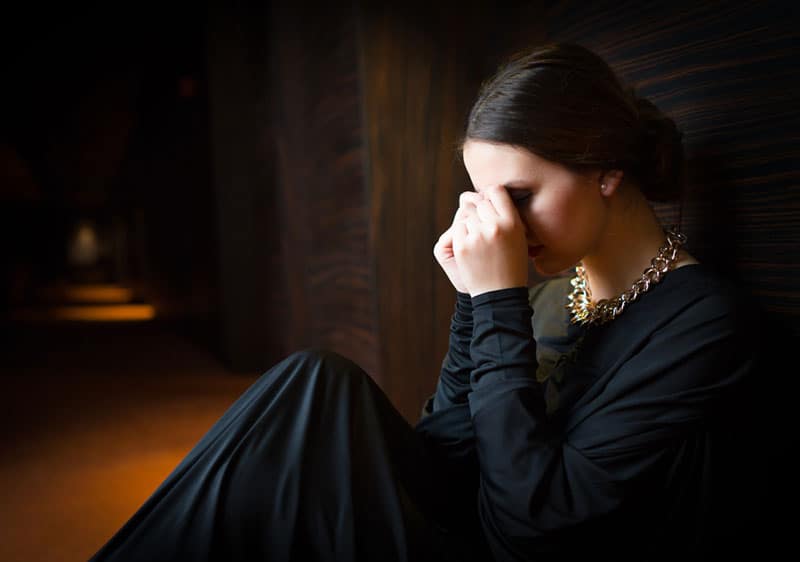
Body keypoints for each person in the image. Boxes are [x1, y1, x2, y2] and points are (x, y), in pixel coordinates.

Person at [89, 42, 759, 562]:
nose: (505, 225)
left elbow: (533, 524)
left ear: (608, 170)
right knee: (316, 384)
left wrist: (497, 300)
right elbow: (443, 450)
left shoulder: (701, 321)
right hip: (465, 523)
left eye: (520, 196)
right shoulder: (557, 289)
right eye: (488, 199)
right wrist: (475, 306)